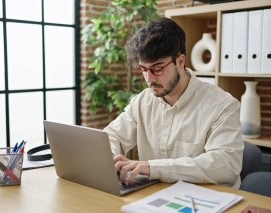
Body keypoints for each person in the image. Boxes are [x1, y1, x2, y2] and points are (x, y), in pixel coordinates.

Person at [103, 17, 244, 188]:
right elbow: (111, 135)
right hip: (155, 196)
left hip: (206, 200)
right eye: (143, 69)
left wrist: (153, 167)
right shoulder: (142, 101)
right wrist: (109, 159)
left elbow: (226, 166)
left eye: (157, 68)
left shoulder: (223, 106)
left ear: (180, 61)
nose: (149, 79)